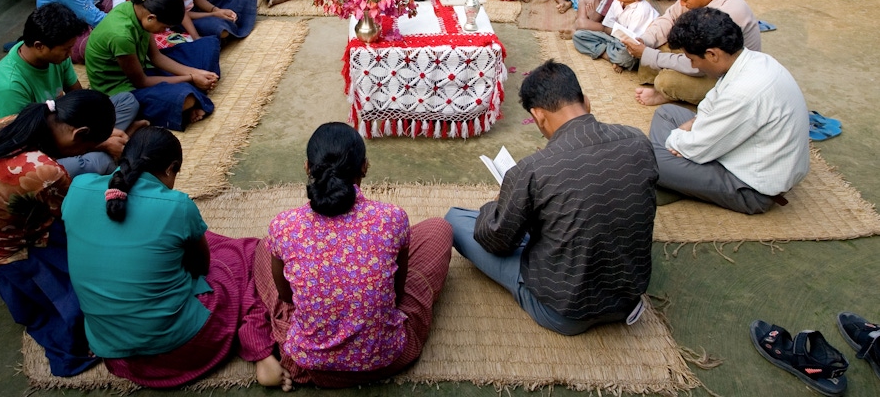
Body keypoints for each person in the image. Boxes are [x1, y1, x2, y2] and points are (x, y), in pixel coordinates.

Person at [62, 127, 287, 389]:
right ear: (171, 169)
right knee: (244, 256)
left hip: (115, 354)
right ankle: (257, 347)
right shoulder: (177, 205)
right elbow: (201, 268)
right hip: (183, 348)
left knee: (201, 240)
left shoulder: (78, 187)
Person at [445, 61, 657, 335]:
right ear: (586, 101)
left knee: (456, 219)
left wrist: (498, 205)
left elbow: (497, 241)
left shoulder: (534, 169)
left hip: (565, 310)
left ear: (539, 115)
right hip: (627, 299)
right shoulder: (638, 141)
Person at [254, 122, 453, 387]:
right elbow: (398, 293)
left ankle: (276, 349)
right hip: (386, 357)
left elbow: (286, 297)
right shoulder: (391, 219)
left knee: (264, 247)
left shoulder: (284, 226)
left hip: (309, 362)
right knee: (438, 229)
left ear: (307, 167)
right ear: (364, 166)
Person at [0, 90, 115, 376]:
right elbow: (77, 217)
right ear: (79, 133)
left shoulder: (11, 122)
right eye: (86, 148)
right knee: (78, 302)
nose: (82, 155)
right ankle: (72, 355)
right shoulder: (45, 172)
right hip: (13, 250)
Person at [649, 8, 808, 214]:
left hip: (751, 188)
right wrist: (693, 123)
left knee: (648, 159)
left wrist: (678, 140)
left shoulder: (744, 92)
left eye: (692, 59)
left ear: (712, 54)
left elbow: (696, 148)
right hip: (742, 151)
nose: (693, 65)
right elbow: (711, 101)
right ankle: (677, 180)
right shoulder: (752, 60)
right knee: (667, 113)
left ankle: (670, 180)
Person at [0, 2, 139, 175]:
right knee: (99, 162)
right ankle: (109, 145)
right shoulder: (9, 87)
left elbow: (78, 97)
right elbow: (27, 145)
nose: (70, 55)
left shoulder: (56, 58)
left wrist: (101, 131)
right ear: (40, 46)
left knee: (127, 100)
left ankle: (105, 142)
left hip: (63, 126)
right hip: (28, 152)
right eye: (66, 49)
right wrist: (101, 142)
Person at [623, 0, 760, 106]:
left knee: (666, 81)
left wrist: (649, 55)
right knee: (653, 49)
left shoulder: (728, 13)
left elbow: (701, 64)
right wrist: (646, 40)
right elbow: (669, 18)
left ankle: (669, 93)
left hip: (721, 74)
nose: (682, 4)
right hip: (699, 56)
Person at [85, 0, 221, 130]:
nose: (163, 32)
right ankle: (193, 98)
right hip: (123, 88)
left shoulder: (140, 11)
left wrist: (195, 72)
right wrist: (191, 77)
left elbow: (156, 57)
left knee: (208, 46)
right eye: (164, 27)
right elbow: (142, 82)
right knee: (185, 97)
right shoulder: (121, 36)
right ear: (151, 18)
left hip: (145, 67)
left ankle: (195, 93)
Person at [573, 0, 659, 72]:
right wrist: (608, 32)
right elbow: (607, 25)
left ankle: (613, 56)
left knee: (625, 57)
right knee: (579, 36)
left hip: (632, 45)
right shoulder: (618, 0)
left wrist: (609, 32)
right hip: (615, 38)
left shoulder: (641, 11)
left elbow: (633, 42)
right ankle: (610, 57)